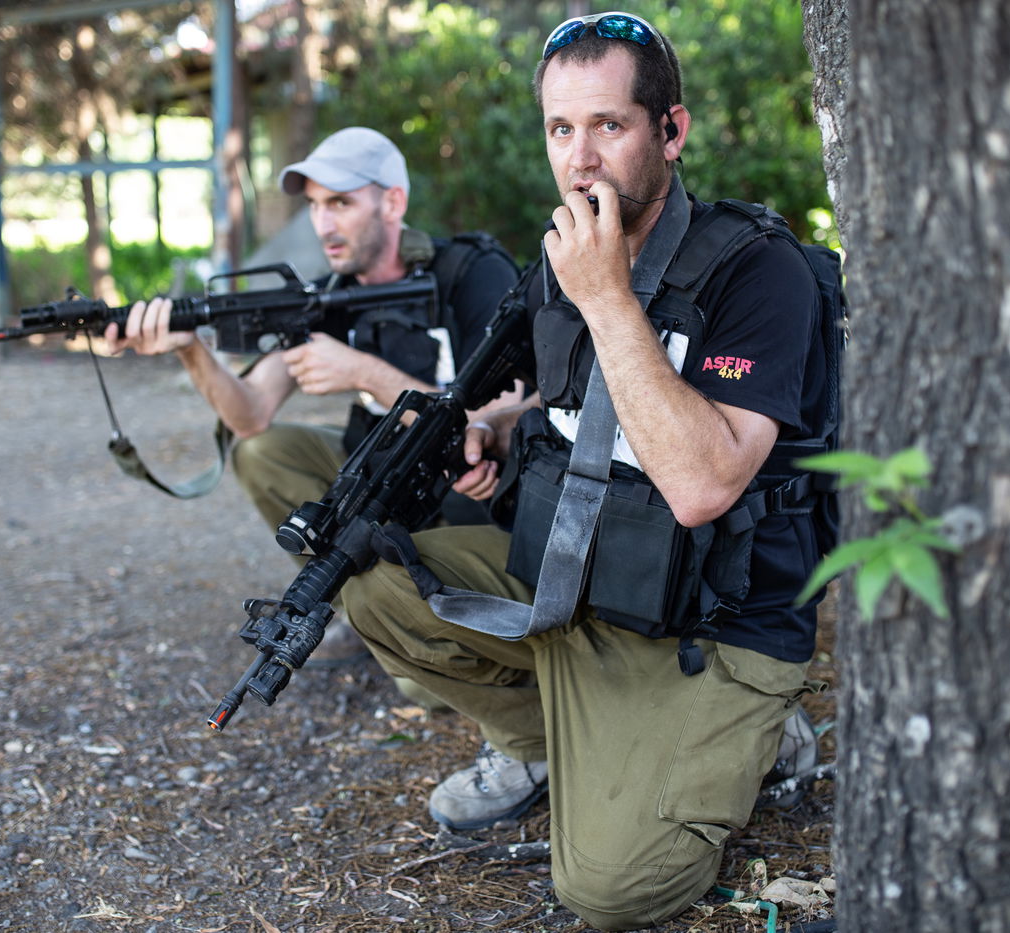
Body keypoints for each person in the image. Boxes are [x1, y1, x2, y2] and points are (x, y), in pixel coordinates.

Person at [341, 13, 829, 930]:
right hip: (580, 588)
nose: (581, 158)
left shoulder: (760, 272)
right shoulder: (558, 261)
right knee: (371, 576)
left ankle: (759, 733)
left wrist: (607, 296)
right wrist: (493, 428)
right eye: (562, 130)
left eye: (610, 125)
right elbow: (559, 403)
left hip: (711, 623)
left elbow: (705, 483)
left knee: (610, 891)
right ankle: (542, 744)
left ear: (671, 132)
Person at [104, 127, 520, 664]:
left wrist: (365, 372)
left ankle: (410, 627)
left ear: (393, 201)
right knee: (261, 451)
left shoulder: (470, 274)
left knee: (429, 683)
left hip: (468, 498)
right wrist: (190, 349)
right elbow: (250, 414)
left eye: (341, 203)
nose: (324, 224)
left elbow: (501, 412)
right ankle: (351, 610)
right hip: (377, 490)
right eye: (316, 206)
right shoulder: (329, 294)